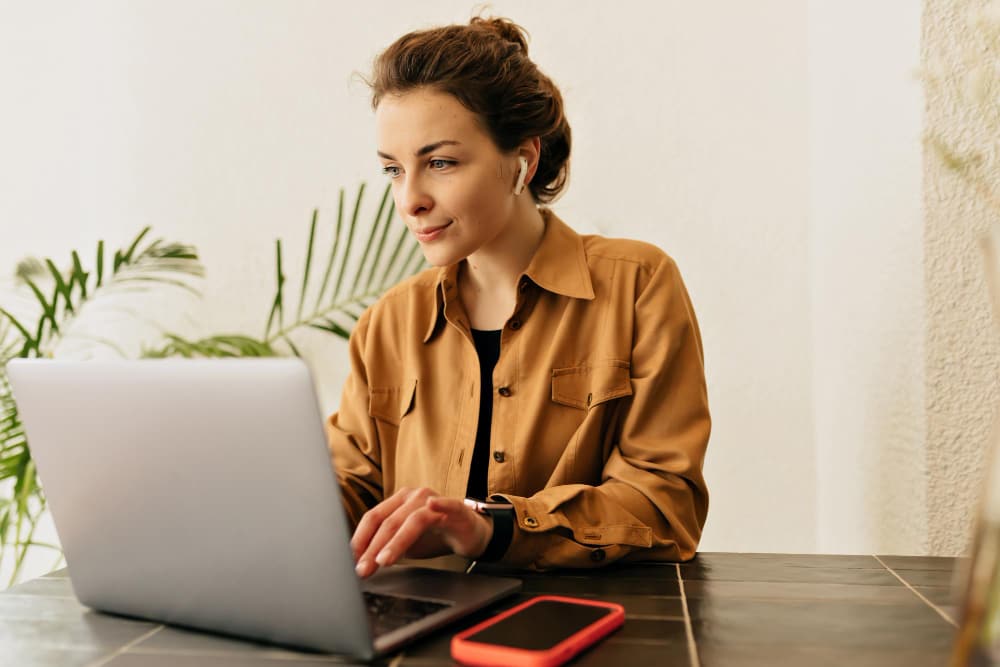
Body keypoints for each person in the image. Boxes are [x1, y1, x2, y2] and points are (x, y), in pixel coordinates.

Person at [325, 16, 710, 577]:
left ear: (522, 162)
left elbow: (664, 506)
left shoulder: (638, 285)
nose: (409, 200)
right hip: (417, 634)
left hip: (582, 625)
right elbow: (349, 489)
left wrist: (489, 526)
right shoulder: (388, 322)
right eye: (392, 170)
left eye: (440, 163)